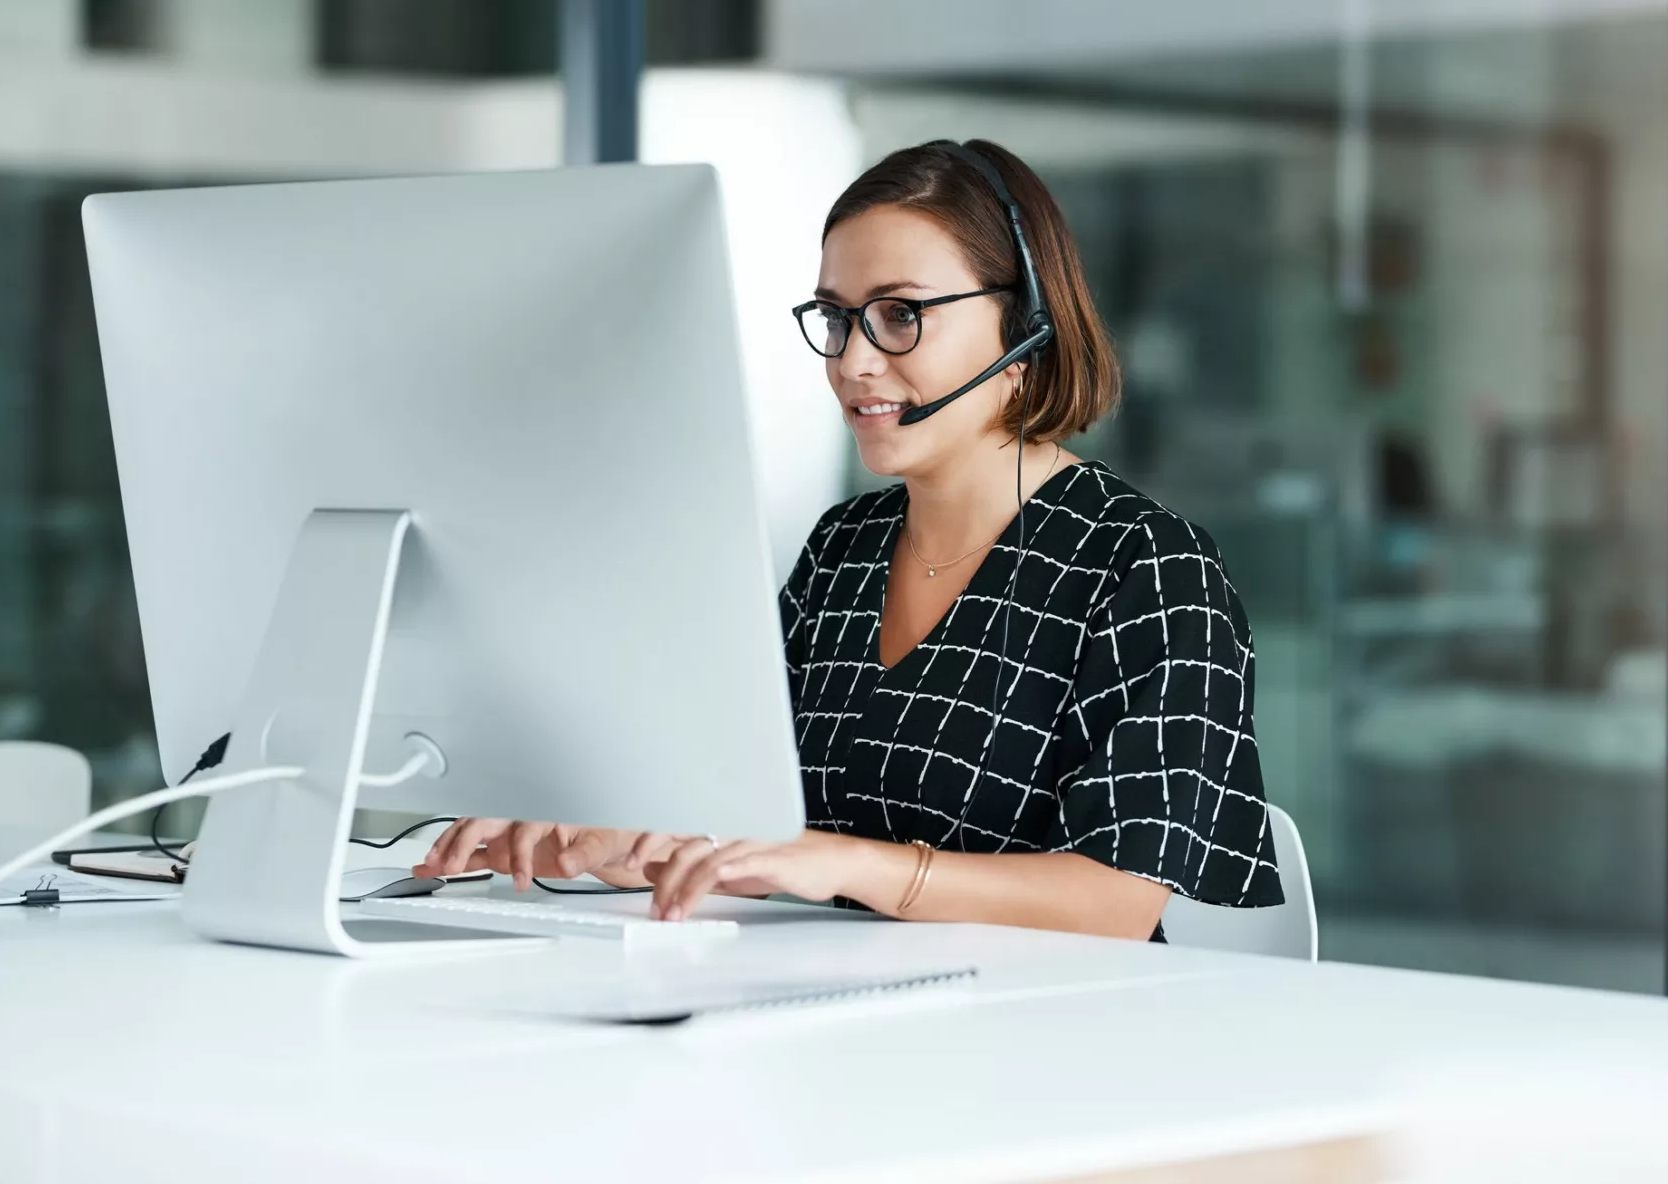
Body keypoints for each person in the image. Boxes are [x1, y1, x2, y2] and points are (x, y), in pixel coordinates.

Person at [416, 139, 1281, 940]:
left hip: (1051, 1042)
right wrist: (616, 839)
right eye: (837, 317)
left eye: (900, 314)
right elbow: (761, 825)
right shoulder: (845, 548)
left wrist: (849, 863)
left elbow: (1117, 901)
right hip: (847, 1015)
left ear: (1025, 327)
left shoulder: (1148, 569)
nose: (852, 362)